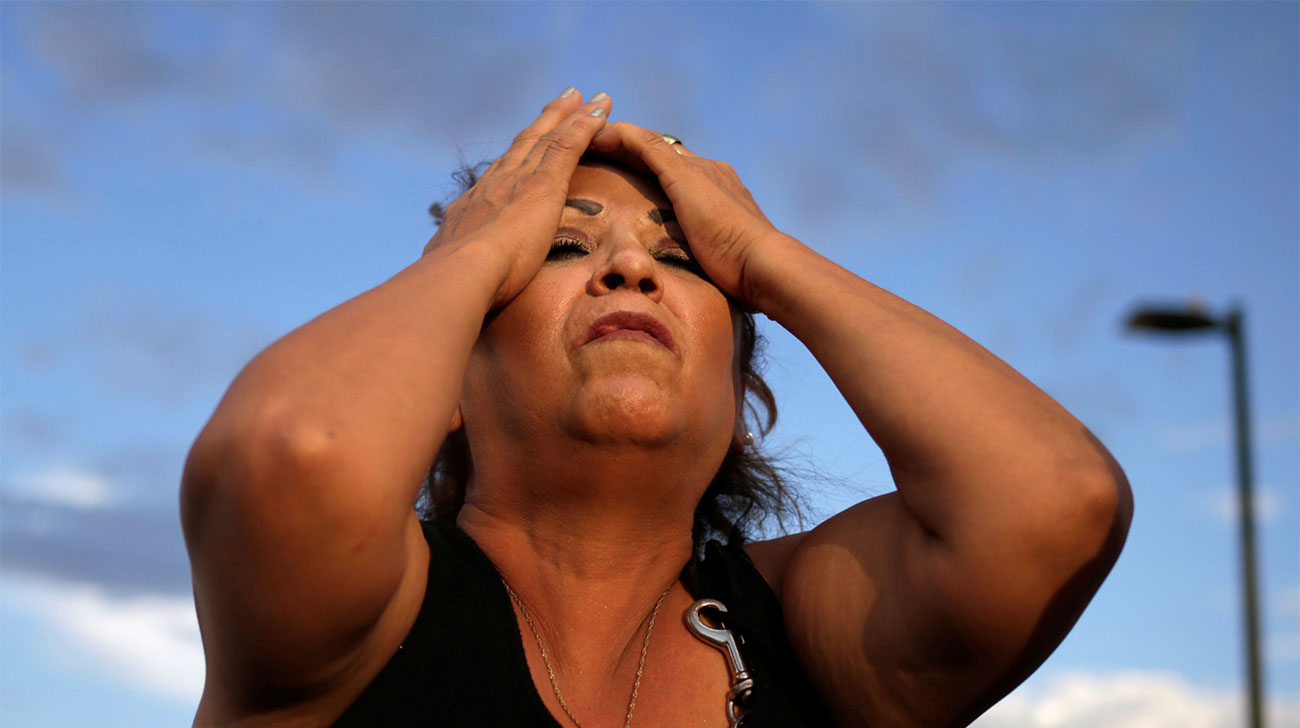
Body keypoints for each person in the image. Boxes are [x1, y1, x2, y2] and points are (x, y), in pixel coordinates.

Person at [180, 88, 1133, 727]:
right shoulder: (365, 616)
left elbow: (1058, 499)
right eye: (560, 248)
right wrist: (471, 250)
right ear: (446, 385)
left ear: (739, 400)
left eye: (682, 259)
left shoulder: (808, 627)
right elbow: (294, 453)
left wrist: (762, 253)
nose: (632, 266)